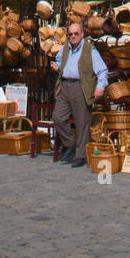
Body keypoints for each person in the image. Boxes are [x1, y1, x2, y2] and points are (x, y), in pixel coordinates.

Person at [51, 20, 108, 167]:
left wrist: (100, 87)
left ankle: (80, 155)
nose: (73, 36)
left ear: (82, 34)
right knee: (58, 117)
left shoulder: (90, 50)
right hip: (65, 86)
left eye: (76, 34)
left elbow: (102, 70)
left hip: (80, 87)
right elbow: (58, 61)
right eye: (70, 34)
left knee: (82, 122)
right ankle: (70, 144)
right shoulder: (65, 48)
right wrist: (56, 66)